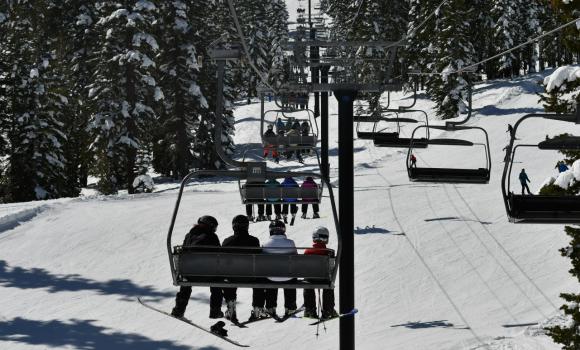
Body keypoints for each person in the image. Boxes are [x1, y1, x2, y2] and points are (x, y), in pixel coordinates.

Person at [171, 215, 223, 319]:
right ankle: (215, 311)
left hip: (190, 274)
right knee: (217, 282)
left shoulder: (189, 235)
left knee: (185, 281)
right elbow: (219, 254)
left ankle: (179, 310)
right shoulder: (212, 237)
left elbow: (183, 252)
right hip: (209, 275)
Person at [222, 215, 266, 323]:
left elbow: (222, 262)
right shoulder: (254, 241)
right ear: (247, 226)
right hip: (251, 276)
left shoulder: (227, 242)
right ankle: (258, 308)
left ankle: (231, 306)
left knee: (228, 276)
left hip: (232, 277)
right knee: (260, 278)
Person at [262, 221, 297, 317]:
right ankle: (290, 307)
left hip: (271, 278)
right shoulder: (290, 243)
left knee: (270, 276)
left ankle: (270, 306)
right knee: (291, 275)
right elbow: (296, 259)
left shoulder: (265, 244)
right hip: (288, 277)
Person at [303, 227, 338, 319]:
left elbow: (305, 267)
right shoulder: (329, 252)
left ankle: (309, 310)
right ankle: (328, 309)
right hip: (324, 279)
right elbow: (331, 268)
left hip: (310, 279)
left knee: (307, 284)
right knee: (329, 283)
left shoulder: (307, 251)